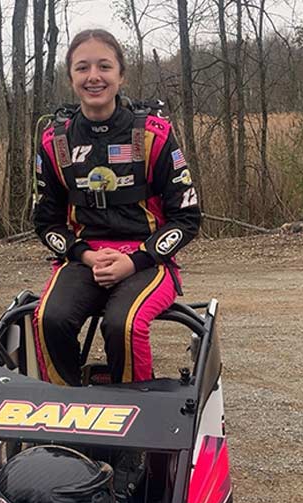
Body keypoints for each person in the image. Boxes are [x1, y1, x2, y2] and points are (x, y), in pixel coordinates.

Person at [32, 29, 201, 388]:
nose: (94, 76)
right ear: (71, 78)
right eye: (83, 68)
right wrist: (85, 256)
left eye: (104, 66)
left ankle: (134, 423)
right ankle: (63, 413)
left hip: (149, 259)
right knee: (49, 318)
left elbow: (187, 217)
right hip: (84, 259)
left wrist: (135, 260)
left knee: (122, 324)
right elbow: (45, 223)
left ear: (121, 75)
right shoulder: (53, 141)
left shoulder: (155, 134)